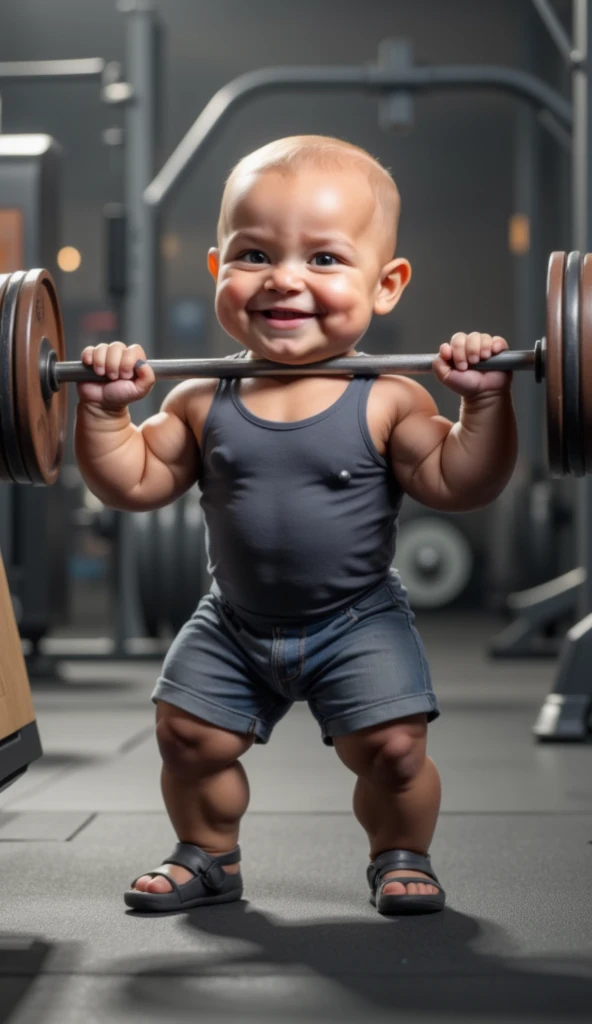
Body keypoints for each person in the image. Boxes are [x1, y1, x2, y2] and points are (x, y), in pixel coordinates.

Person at [75, 135, 518, 916]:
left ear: (386, 286)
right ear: (217, 270)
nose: (283, 278)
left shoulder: (387, 398)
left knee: (393, 751)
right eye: (252, 254)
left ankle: (400, 852)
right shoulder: (199, 401)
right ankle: (209, 856)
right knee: (185, 737)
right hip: (234, 621)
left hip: (356, 619)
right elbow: (134, 484)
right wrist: (104, 414)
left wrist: (484, 403)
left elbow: (461, 482)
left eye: (323, 260)